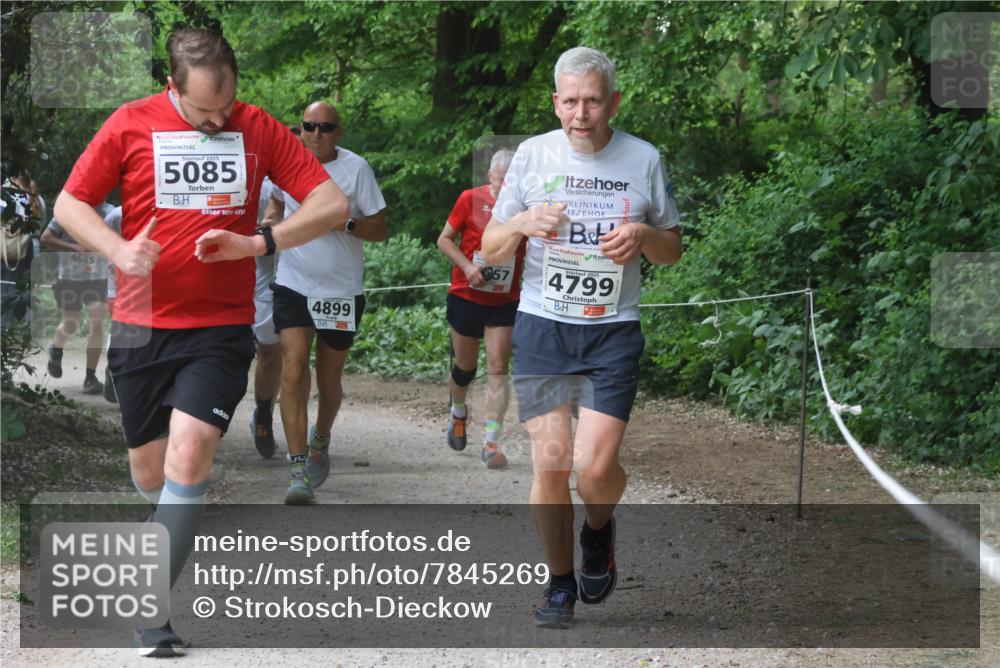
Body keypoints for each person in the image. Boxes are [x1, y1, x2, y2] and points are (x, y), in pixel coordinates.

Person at [51, 28, 349, 656]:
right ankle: (162, 529)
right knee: (152, 473)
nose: (218, 122)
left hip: (219, 326)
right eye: (203, 111)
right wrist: (117, 249)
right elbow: (71, 203)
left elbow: (330, 203)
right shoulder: (130, 124)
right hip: (140, 324)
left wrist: (259, 242)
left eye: (226, 106)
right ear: (172, 87)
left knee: (190, 458)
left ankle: (148, 610)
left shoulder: (258, 128)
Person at [481, 46, 682, 628]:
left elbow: (671, 251)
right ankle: (560, 583)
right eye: (570, 101)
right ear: (555, 102)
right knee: (550, 463)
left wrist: (643, 235)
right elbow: (491, 248)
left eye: (592, 101)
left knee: (594, 470)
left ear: (613, 102)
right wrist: (522, 222)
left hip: (611, 331)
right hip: (544, 326)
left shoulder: (642, 158)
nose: (581, 113)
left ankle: (598, 529)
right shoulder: (532, 154)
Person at [266, 101, 387, 504]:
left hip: (341, 289)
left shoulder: (356, 169)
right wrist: (270, 221)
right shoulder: (286, 163)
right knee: (294, 365)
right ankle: (297, 468)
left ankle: (321, 438)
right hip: (294, 281)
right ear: (300, 128)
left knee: (329, 379)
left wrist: (345, 222)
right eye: (310, 126)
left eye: (326, 127)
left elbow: (380, 229)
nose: (317, 133)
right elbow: (275, 203)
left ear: (339, 132)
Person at [436, 148, 524, 468]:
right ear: (490, 176)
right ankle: (458, 412)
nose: (507, 186)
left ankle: (491, 441)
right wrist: (468, 267)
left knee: (498, 368)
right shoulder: (469, 199)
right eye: (502, 180)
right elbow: (444, 239)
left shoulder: (526, 206)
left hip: (504, 300)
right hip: (466, 294)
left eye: (513, 180)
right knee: (466, 368)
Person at [39, 201, 115, 394]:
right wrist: (74, 247)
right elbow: (46, 238)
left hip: (98, 278)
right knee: (71, 324)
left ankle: (90, 378)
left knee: (97, 325)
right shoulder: (67, 209)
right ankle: (56, 348)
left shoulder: (110, 212)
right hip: (69, 278)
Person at [248, 176, 281, 458]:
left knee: (272, 354)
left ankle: (264, 417)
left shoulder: (286, 185)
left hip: (274, 280)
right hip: (230, 277)